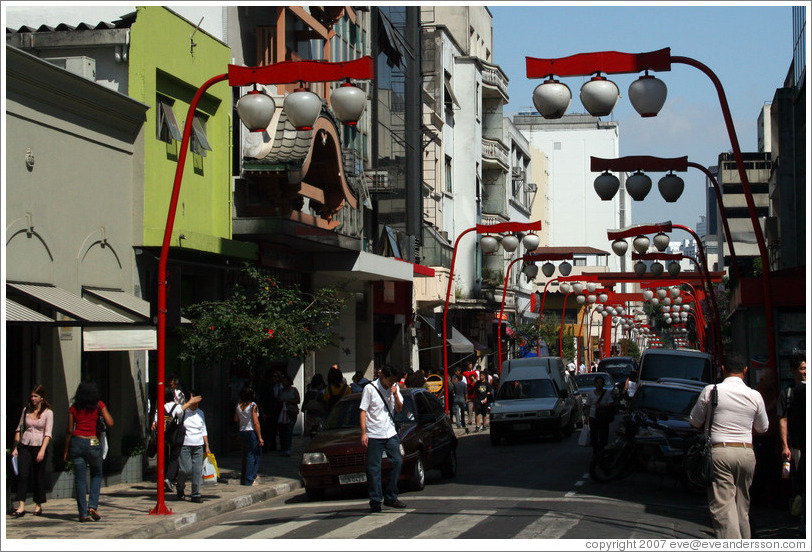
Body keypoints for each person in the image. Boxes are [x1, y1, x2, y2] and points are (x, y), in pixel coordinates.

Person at [689, 356, 769, 539]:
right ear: (746, 371)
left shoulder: (711, 391)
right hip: (746, 452)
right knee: (742, 507)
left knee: (724, 507)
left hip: (720, 452)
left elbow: (694, 421)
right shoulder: (755, 395)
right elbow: (763, 428)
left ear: (723, 369)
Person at [63, 381, 114, 522]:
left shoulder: (74, 408)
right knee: (97, 474)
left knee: (80, 479)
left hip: (77, 441)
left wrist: (66, 450)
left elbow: (69, 430)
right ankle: (92, 506)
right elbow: (110, 423)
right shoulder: (98, 405)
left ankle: (83, 513)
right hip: (93, 441)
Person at [360, 364, 406, 513]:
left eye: (395, 381)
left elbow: (399, 409)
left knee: (397, 461)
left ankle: (391, 496)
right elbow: (363, 410)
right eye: (391, 380)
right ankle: (375, 500)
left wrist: (395, 394)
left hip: (390, 431)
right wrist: (363, 432)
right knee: (374, 468)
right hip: (374, 433)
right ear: (383, 377)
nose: (392, 383)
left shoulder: (395, 388)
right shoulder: (370, 389)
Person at [10, 385, 54, 518]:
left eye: (35, 396)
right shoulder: (26, 410)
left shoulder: (48, 413)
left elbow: (48, 433)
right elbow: (19, 428)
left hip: (39, 446)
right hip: (25, 445)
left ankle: (38, 504)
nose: (33, 399)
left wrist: (42, 450)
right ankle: (21, 505)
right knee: (23, 475)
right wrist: (15, 447)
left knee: (38, 476)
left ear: (41, 398)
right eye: (32, 396)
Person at [151, 388, 200, 492]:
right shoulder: (178, 407)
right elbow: (180, 415)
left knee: (163, 458)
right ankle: (169, 478)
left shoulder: (160, 408)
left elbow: (155, 423)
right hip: (175, 436)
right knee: (174, 458)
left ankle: (162, 479)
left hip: (163, 437)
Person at [778, 354, 806, 533]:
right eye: (802, 368)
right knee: (801, 480)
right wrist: (785, 446)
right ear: (794, 370)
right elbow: (783, 419)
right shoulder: (789, 392)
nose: (806, 372)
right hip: (797, 445)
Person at [176, 389, 210, 503]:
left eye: (197, 402)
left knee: (197, 470)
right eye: (193, 401)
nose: (195, 404)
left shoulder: (201, 413)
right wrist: (189, 403)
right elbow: (177, 412)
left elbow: (203, 429)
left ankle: (195, 494)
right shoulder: (184, 412)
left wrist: (207, 446)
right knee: (185, 470)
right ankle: (180, 487)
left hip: (198, 445)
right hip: (185, 444)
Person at [234, 386, 264, 486]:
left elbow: (236, 419)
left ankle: (247, 476)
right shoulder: (253, 406)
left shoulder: (239, 406)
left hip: (242, 431)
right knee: (254, 455)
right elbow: (256, 422)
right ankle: (250, 478)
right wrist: (260, 437)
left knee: (246, 454)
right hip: (251, 431)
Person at [584, 375, 615, 458]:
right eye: (597, 382)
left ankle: (602, 451)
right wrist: (586, 417)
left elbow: (611, 404)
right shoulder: (591, 394)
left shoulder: (607, 393)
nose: (599, 384)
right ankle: (595, 451)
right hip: (593, 417)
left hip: (603, 418)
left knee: (603, 435)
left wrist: (602, 406)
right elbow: (588, 405)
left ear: (603, 384)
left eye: (601, 382)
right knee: (594, 436)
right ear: (595, 384)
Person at [277, 374, 300, 457]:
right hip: (283, 413)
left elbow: (298, 400)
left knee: (288, 430)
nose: (284, 383)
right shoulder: (281, 391)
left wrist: (288, 401)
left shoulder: (294, 390)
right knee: (282, 431)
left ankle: (288, 448)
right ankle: (283, 447)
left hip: (291, 412)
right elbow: (278, 400)